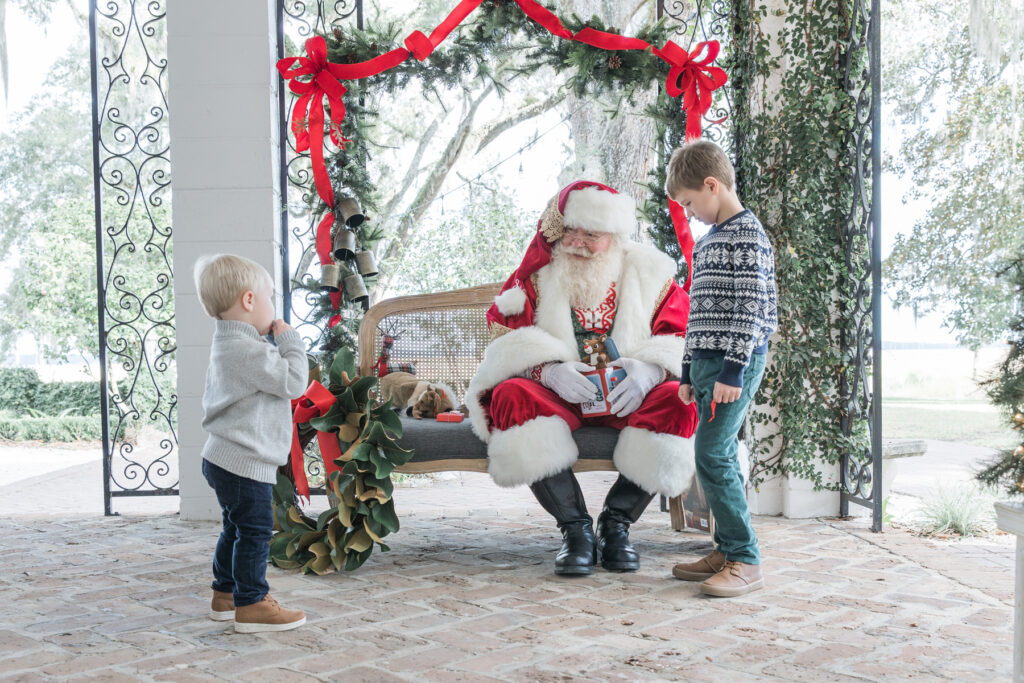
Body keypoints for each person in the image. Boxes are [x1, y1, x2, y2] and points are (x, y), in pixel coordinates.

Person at [464, 180, 699, 576]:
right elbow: (505, 340)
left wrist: (651, 370)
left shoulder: (649, 274)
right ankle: (575, 530)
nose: (578, 242)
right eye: (571, 231)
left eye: (592, 235)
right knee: (510, 395)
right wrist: (546, 370)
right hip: (563, 398)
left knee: (681, 398)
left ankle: (616, 525)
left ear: (615, 236)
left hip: (630, 398)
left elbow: (683, 335)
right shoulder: (536, 278)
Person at [666, 140, 778, 597]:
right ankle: (727, 548)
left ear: (712, 185)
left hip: (738, 361)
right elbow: (698, 313)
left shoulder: (747, 235)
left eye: (691, 203)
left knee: (715, 454)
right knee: (707, 455)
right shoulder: (711, 241)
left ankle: (746, 558)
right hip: (709, 361)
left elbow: (749, 309)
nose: (690, 214)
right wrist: (688, 371)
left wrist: (732, 370)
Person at [194, 254, 308, 631]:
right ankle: (252, 602)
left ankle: (225, 594)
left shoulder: (230, 345)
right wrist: (290, 341)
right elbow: (293, 382)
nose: (274, 309)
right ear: (248, 301)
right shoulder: (250, 351)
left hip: (223, 457)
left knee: (235, 527)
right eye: (270, 298)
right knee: (256, 531)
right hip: (243, 462)